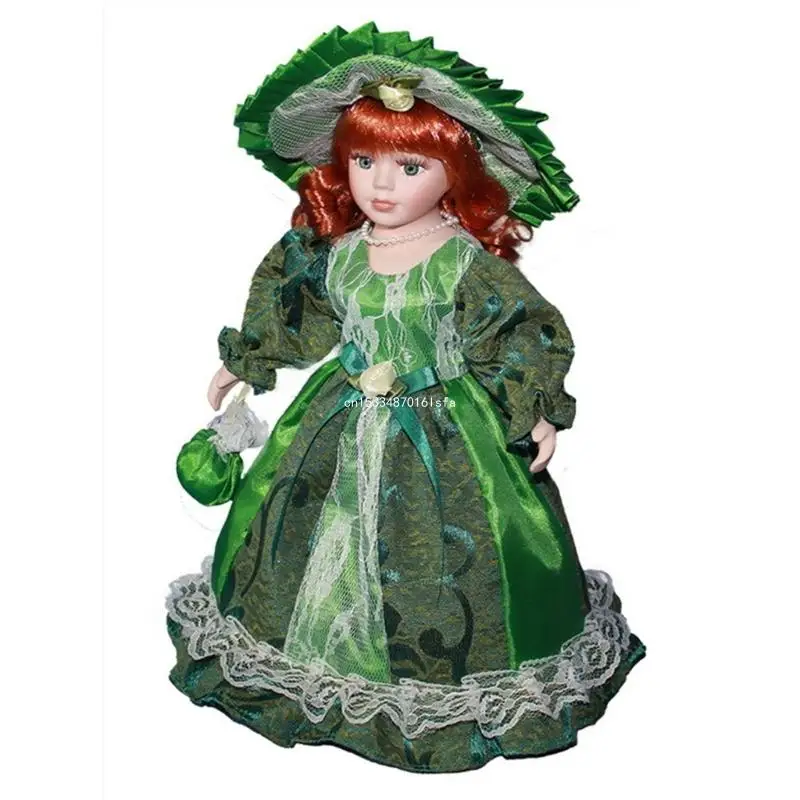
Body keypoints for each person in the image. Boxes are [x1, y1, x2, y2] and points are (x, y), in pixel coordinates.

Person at [166, 22, 646, 773]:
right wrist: (250, 361)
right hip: (336, 419)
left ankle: (437, 681)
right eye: (364, 162)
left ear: (456, 175)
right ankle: (312, 662)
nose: (381, 186)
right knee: (302, 533)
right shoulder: (337, 254)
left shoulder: (463, 262)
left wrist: (535, 404)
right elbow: (301, 313)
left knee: (441, 556)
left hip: (444, 430)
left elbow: (517, 331)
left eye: (410, 166)